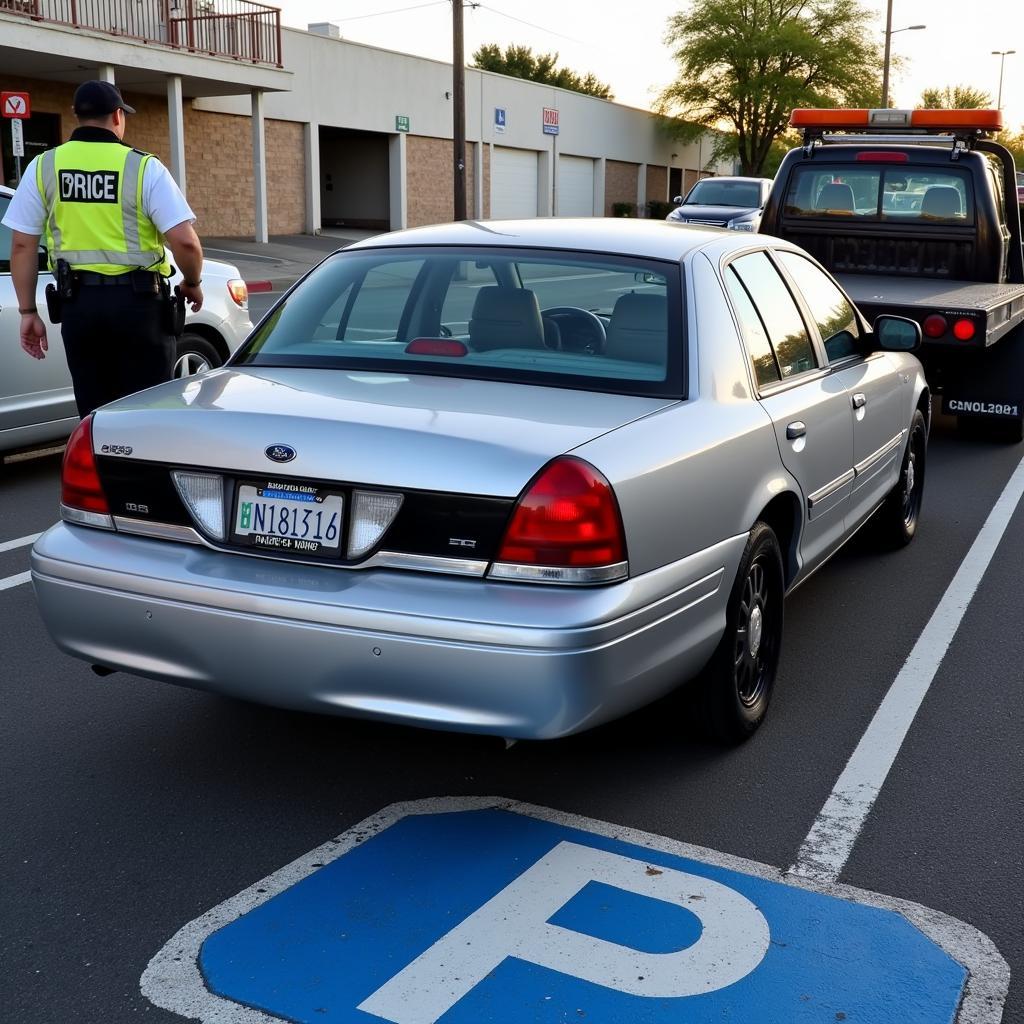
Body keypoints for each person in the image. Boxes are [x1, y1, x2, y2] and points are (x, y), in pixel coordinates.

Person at [1, 80, 205, 417]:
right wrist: (193, 282)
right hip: (140, 309)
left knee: (96, 414)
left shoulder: (44, 166)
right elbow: (184, 241)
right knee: (147, 412)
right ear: (117, 116)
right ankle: (141, 470)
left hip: (79, 308)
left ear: (76, 116)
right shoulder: (143, 167)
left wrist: (27, 312)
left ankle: (102, 469)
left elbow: (22, 245)